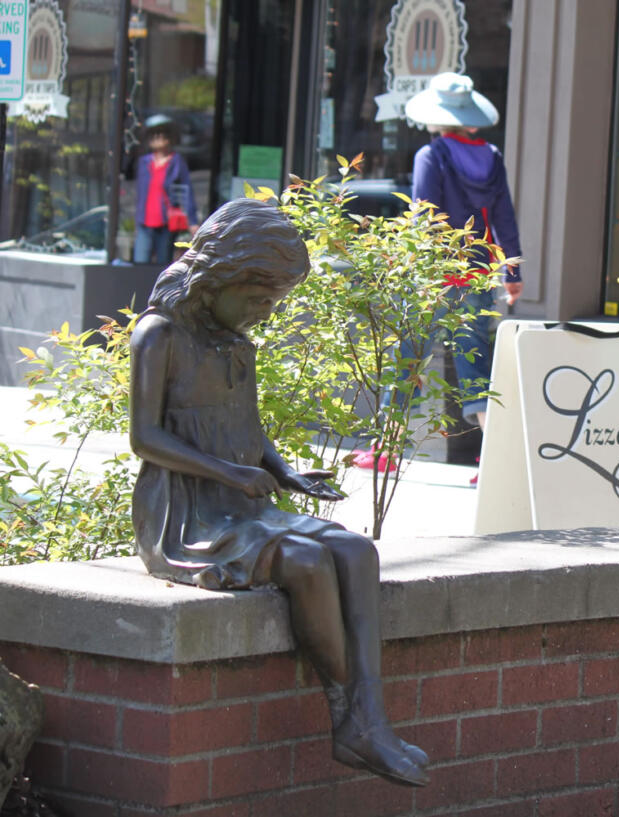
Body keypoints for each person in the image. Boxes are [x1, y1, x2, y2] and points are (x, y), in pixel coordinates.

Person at [128, 199, 428, 787]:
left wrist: (284, 473)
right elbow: (145, 438)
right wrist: (228, 473)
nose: (266, 313)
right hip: (186, 514)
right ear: (218, 280)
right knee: (309, 561)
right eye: (261, 298)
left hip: (243, 502)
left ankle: (370, 716)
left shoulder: (238, 344)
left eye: (276, 302)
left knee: (357, 551)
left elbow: (248, 427)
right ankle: (349, 719)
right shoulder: (159, 335)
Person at [357, 72, 521, 478]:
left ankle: (386, 449)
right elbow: (503, 216)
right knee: (475, 363)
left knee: (408, 358)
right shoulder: (492, 156)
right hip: (478, 272)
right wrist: (511, 268)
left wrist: (410, 264)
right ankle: (495, 459)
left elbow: (423, 213)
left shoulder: (431, 156)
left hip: (435, 273)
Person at [133, 114, 199, 265]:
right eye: (153, 135)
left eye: (162, 135)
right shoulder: (144, 162)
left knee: (163, 265)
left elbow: (186, 192)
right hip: (145, 222)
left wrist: (192, 221)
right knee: (139, 262)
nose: (157, 138)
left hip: (166, 223)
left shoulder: (177, 162)